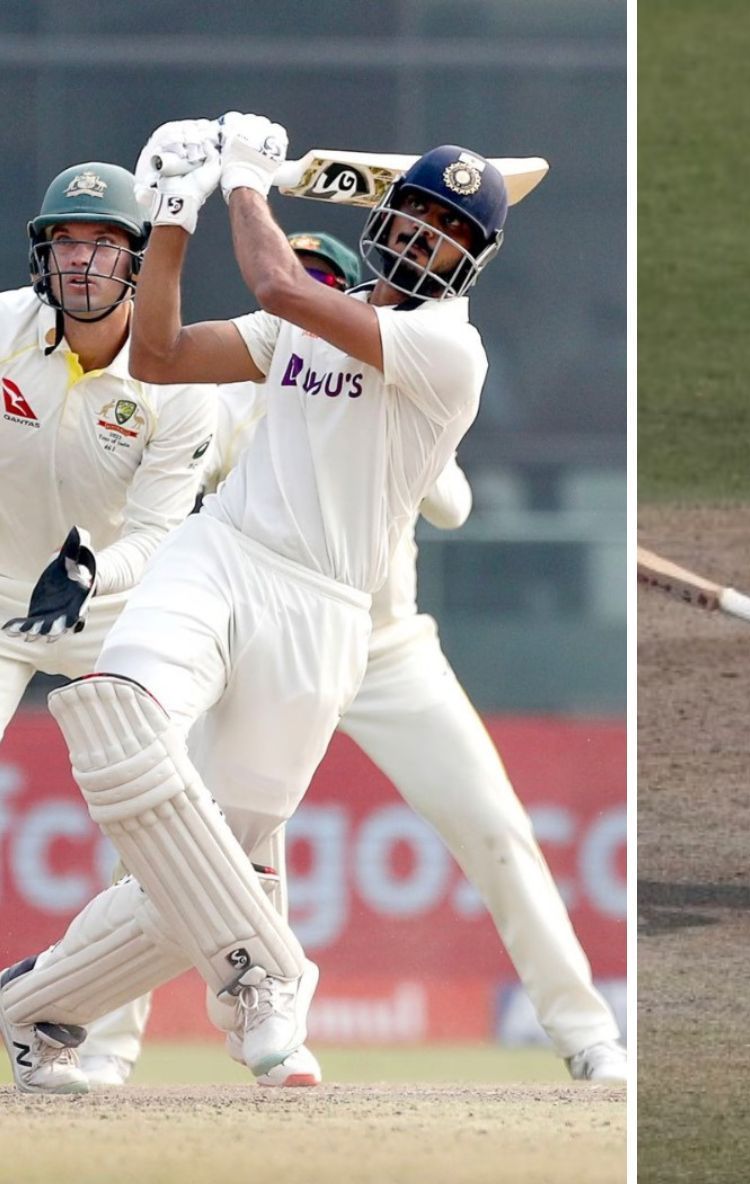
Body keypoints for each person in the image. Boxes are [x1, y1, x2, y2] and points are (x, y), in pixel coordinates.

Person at [0, 113, 504, 1093]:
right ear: (387, 216)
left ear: (471, 260)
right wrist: (176, 221)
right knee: (121, 723)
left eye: (450, 232)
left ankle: (30, 1012)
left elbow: (276, 280)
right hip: (219, 554)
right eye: (417, 217)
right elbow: (158, 358)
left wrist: (244, 183)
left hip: (324, 612)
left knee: (202, 871)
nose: (423, 241)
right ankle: (268, 984)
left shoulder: (450, 351)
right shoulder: (301, 323)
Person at [74, 234, 628, 1087]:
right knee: (185, 829)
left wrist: (389, 416)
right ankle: (112, 1045)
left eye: (327, 287)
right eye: (302, 290)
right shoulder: (251, 391)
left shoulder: (412, 371)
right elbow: (191, 442)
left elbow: (452, 500)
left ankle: (590, 1039)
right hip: (267, 634)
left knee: (496, 828)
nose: (311, 308)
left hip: (385, 649)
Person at [0, 163, 216, 741]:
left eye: (104, 242)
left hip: (113, 609)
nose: (80, 258)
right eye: (65, 241)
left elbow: (154, 533)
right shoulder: (3, 329)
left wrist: (89, 573)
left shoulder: (181, 383)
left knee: (148, 775)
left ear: (137, 259)